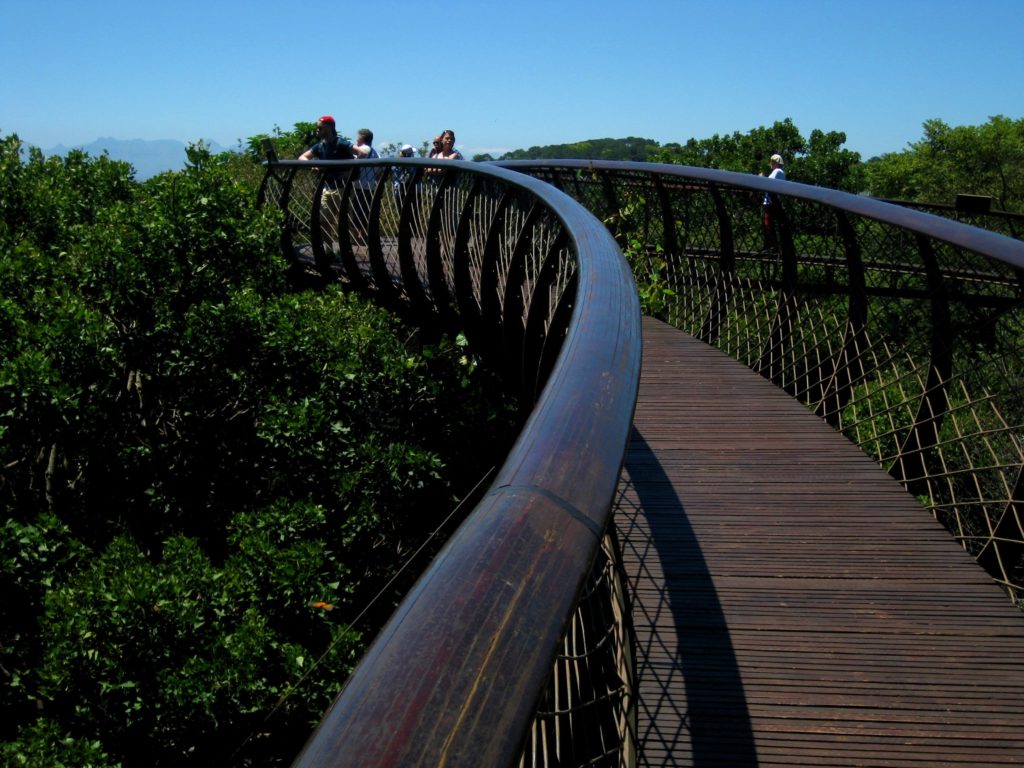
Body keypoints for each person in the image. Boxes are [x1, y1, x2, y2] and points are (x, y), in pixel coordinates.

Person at [298, 116, 353, 251]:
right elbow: (302, 157)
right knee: (323, 220)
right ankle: (329, 248)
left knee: (343, 222)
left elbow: (361, 153)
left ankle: (344, 249)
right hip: (327, 187)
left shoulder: (342, 144)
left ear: (330, 127)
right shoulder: (320, 146)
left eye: (320, 127)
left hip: (342, 188)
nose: (318, 130)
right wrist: (313, 165)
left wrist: (348, 168)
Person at [761, 153, 785, 250]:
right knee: (768, 223)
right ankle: (771, 244)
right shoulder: (778, 172)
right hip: (772, 201)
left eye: (772, 161)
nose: (771, 163)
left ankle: (772, 245)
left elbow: (770, 184)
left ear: (776, 162)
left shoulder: (778, 171)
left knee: (768, 223)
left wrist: (761, 178)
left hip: (771, 202)